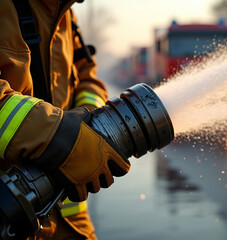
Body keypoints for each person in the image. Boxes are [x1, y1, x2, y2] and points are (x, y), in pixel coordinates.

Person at [0, 0, 131, 239]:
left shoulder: (65, 14)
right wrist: (55, 136)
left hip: (71, 223)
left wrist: (90, 117)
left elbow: (86, 76)